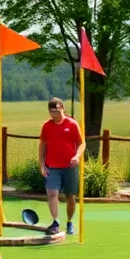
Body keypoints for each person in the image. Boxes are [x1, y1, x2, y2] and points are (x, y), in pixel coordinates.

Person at [38, 97, 84, 236]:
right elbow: (42, 145)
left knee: (70, 196)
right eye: (51, 112)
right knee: (52, 193)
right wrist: (41, 164)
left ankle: (69, 222)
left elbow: (82, 143)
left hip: (69, 166)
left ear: (62, 109)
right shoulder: (46, 126)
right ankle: (55, 222)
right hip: (52, 166)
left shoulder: (72, 124)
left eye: (57, 111)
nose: (54, 114)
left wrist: (77, 156)